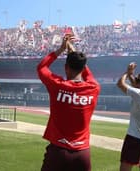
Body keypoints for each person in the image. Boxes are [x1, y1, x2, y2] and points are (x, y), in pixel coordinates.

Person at [37, 35, 100, 171]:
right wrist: (73, 52)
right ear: (83, 69)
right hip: (82, 153)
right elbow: (88, 75)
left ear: (66, 68)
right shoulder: (94, 87)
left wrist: (60, 49)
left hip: (57, 152)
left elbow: (42, 67)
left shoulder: (57, 85)